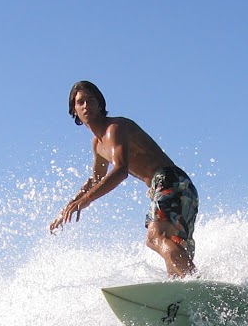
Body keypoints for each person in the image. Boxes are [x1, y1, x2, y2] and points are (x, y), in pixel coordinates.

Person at [49, 80, 198, 277]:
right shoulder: (98, 145)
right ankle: (187, 295)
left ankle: (200, 285)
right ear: (74, 110)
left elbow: (121, 170)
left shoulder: (114, 128)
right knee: (171, 244)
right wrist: (69, 206)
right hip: (176, 186)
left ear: (100, 104)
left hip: (169, 180)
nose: (86, 106)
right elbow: (95, 179)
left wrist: (87, 200)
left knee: (155, 237)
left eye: (91, 100)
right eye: (80, 102)